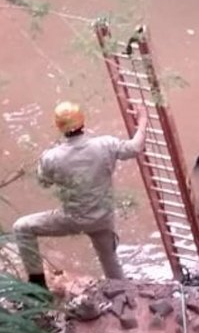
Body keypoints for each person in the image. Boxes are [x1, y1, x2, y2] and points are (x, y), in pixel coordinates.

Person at [14, 101, 146, 289]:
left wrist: (43, 164)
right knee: (110, 261)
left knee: (22, 228)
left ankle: (37, 285)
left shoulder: (52, 157)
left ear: (59, 127)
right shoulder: (105, 145)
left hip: (72, 218)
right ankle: (123, 294)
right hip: (102, 218)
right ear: (83, 122)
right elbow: (135, 147)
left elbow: (44, 183)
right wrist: (143, 120)